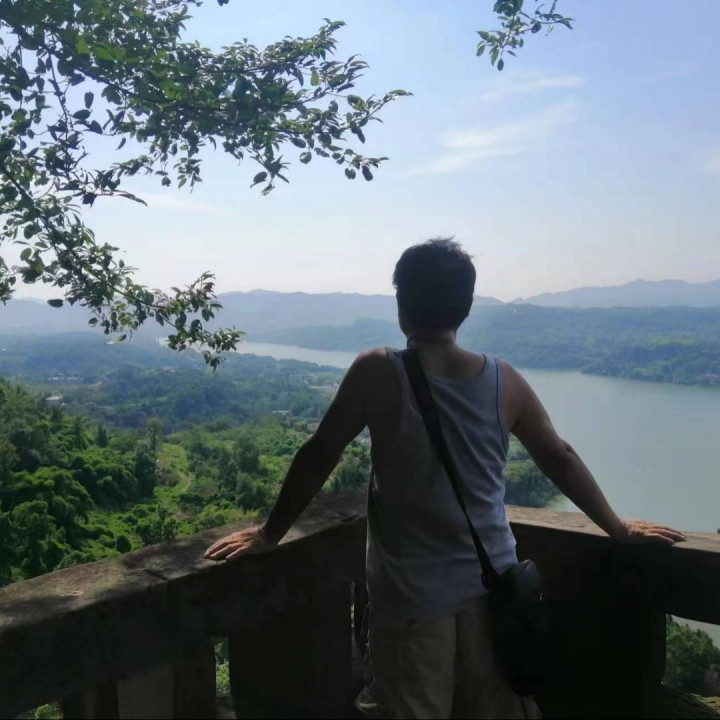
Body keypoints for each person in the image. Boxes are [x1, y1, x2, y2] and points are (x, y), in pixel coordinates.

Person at [205, 239, 685, 719]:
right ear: (466, 307)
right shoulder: (504, 380)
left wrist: (270, 532)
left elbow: (319, 454)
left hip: (410, 603)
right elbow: (559, 458)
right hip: (497, 594)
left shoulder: (377, 372)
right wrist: (617, 527)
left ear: (402, 306)